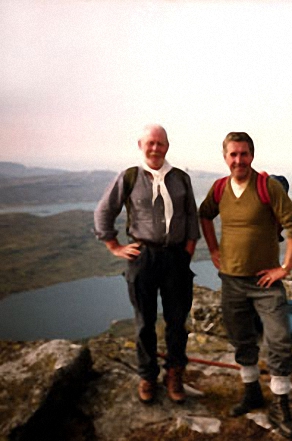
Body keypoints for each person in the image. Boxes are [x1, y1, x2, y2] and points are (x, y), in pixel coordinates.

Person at [199, 132, 292, 438]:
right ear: (225, 157)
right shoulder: (219, 188)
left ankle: (282, 406)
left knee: (279, 339)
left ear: (252, 156)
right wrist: (214, 251)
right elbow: (204, 215)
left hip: (264, 282)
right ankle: (252, 394)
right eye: (233, 154)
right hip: (231, 280)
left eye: (244, 154)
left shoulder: (266, 185)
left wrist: (284, 267)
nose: (238, 160)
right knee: (241, 339)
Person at [94, 124, 200, 404]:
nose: (155, 148)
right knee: (144, 323)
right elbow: (104, 210)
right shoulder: (129, 177)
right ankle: (147, 375)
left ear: (167, 146)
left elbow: (191, 215)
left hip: (176, 257)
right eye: (150, 143)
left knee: (177, 321)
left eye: (161, 143)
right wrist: (114, 245)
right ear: (141, 145)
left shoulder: (180, 178)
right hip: (143, 257)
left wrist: (188, 249)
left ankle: (175, 373)